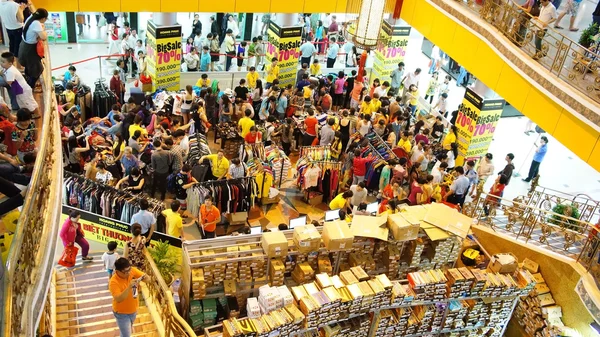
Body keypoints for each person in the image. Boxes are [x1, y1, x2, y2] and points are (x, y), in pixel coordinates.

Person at [109, 257, 147, 337]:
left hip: (133, 309)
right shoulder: (113, 282)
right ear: (117, 271)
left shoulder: (131, 270)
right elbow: (119, 299)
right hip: (122, 313)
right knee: (127, 335)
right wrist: (129, 287)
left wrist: (145, 277)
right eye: (125, 272)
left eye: (129, 269)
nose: (129, 273)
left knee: (125, 332)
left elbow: (146, 277)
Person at [1, 52, 40, 117]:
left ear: (10, 63)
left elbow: (9, 82)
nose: (1, 63)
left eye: (3, 62)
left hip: (23, 90)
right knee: (22, 103)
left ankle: (37, 113)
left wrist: (3, 75)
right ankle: (26, 114)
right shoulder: (7, 68)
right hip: (18, 90)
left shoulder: (11, 71)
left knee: (29, 103)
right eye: (1, 61)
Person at [18, 8, 47, 88]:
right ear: (43, 18)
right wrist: (43, 31)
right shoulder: (36, 23)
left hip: (24, 45)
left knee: (29, 66)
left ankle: (28, 82)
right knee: (37, 69)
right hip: (30, 49)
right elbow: (44, 37)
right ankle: (30, 86)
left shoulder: (31, 18)